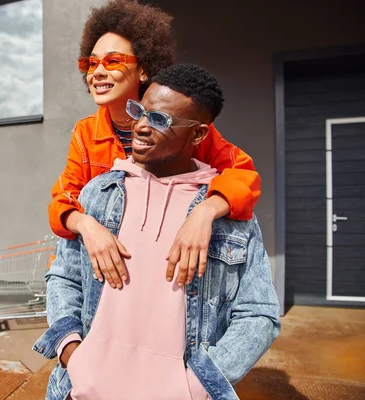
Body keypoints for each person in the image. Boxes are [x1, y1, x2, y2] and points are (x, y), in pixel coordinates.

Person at [35, 64, 281, 400]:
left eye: (161, 120)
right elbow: (64, 278)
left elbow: (258, 313)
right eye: (140, 112)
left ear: (197, 135)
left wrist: (195, 387)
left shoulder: (228, 213)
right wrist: (71, 353)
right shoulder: (98, 194)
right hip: (82, 390)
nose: (141, 127)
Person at [48, 0, 261, 289]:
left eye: (113, 62)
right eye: (91, 63)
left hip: (170, 272)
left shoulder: (184, 126)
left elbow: (243, 175)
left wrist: (205, 212)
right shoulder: (86, 132)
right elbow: (62, 201)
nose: (97, 71)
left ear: (144, 70)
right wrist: (87, 226)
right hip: (110, 276)